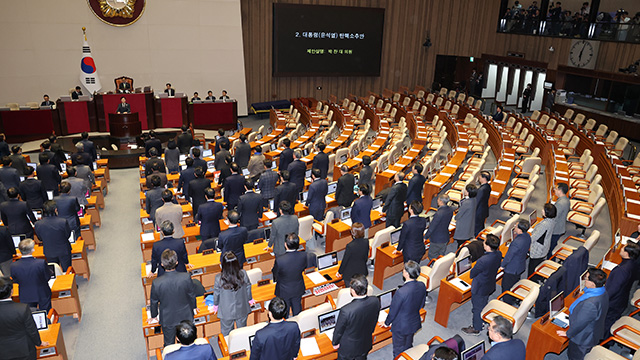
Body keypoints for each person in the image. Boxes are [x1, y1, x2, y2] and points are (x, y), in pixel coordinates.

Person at [557, 268, 608, 360]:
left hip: (583, 338)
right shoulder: (602, 291)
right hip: (595, 330)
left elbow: (579, 323)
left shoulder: (590, 304)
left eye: (587, 278)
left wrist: (568, 333)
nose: (584, 280)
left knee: (575, 356)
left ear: (592, 284)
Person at [149, 249, 197, 346]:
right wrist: (194, 307)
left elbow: (153, 301)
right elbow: (191, 294)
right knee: (187, 343)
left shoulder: (157, 282)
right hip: (186, 315)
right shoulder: (186, 277)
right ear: (177, 262)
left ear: (161, 264)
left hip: (167, 318)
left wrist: (154, 316)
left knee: (169, 344)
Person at [381, 261, 427, 358]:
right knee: (408, 345)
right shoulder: (422, 285)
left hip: (401, 326)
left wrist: (386, 323)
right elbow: (421, 304)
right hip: (414, 321)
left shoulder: (401, 292)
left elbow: (393, 312)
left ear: (406, 273)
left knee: (398, 350)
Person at [332, 274, 381, 359]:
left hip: (349, 349)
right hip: (365, 342)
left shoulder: (346, 310)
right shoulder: (375, 300)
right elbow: (375, 319)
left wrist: (335, 343)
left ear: (353, 290)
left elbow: (339, 331)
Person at [462, 234, 502, 335]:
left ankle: (476, 328)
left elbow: (472, 274)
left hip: (480, 287)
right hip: (489, 283)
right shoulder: (498, 254)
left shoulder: (483, 261)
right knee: (483, 302)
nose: (483, 243)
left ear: (488, 246)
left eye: (484, 242)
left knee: (477, 307)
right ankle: (483, 317)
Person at [0, 276, 46, 360]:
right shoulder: (22, 308)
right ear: (12, 291)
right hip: (24, 350)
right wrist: (39, 343)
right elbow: (32, 330)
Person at [212, 251, 254, 336]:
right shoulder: (243, 274)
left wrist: (215, 305)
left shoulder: (218, 278)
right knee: (242, 331)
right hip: (242, 308)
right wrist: (250, 299)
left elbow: (216, 294)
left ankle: (228, 347)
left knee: (227, 333)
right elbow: (248, 287)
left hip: (226, 311)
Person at [604, 242, 640, 335]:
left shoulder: (622, 270)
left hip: (613, 303)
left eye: (623, 249)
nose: (621, 249)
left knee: (606, 324)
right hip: (622, 299)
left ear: (627, 254)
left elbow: (613, 290)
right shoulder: (633, 263)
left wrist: (601, 300)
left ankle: (604, 341)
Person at [10, 239, 52, 311]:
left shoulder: (13, 265)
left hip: (25, 294)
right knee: (46, 313)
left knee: (30, 315)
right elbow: (47, 276)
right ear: (32, 250)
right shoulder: (41, 263)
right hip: (42, 292)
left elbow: (15, 280)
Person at [273, 233, 307, 316]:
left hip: (284, 290)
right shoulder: (304, 255)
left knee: (285, 312)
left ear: (285, 244)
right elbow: (303, 267)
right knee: (298, 311)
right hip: (298, 287)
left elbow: (275, 273)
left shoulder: (280, 260)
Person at [34, 201, 72, 271]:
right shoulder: (63, 221)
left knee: (54, 271)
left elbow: (40, 238)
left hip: (49, 251)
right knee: (67, 270)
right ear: (55, 210)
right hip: (63, 250)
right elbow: (68, 235)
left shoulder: (38, 224)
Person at [501, 220, 531, 297]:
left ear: (520, 230)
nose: (514, 226)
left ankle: (507, 303)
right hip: (520, 265)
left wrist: (502, 265)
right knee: (515, 283)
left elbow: (509, 256)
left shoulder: (517, 242)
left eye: (516, 226)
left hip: (512, 269)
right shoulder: (527, 236)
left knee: (506, 287)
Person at [337, 223, 369, 287]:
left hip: (350, 274)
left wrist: (339, 272)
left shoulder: (350, 246)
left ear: (353, 233)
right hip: (362, 270)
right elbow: (365, 257)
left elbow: (345, 260)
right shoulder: (366, 241)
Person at [528, 203, 556, 276]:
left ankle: (532, 279)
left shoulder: (544, 225)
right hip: (544, 247)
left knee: (532, 269)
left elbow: (533, 238)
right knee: (538, 264)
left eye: (544, 209)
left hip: (537, 250)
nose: (542, 210)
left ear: (547, 213)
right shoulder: (552, 221)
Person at [424, 194, 454, 260]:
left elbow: (432, 227)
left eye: (438, 199)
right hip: (445, 237)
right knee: (441, 255)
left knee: (432, 255)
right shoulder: (450, 210)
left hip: (437, 239)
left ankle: (436, 268)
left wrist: (425, 237)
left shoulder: (439, 213)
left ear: (440, 201)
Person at [453, 184, 477, 248]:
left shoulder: (467, 203)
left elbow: (459, 214)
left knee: (461, 244)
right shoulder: (474, 199)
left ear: (468, 192)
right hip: (469, 222)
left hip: (464, 225)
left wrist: (455, 218)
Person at [550, 183, 570, 258]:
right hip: (560, 227)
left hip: (556, 229)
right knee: (553, 244)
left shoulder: (561, 203)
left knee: (551, 247)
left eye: (556, 188)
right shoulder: (566, 199)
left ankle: (550, 261)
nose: (554, 190)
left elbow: (554, 217)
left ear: (560, 191)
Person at [475, 171, 492, 236]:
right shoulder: (488, 186)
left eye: (480, 176)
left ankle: (478, 239)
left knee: (477, 228)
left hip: (479, 211)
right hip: (484, 209)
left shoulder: (481, 190)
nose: (479, 178)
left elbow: (477, 202)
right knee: (481, 225)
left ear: (484, 178)